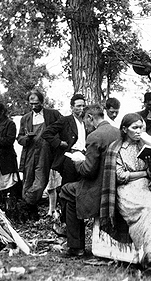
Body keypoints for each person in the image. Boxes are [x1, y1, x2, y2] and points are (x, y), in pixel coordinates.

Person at [99, 113, 151, 270]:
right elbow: (120, 176)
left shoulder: (146, 146)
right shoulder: (115, 149)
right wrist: (144, 173)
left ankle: (149, 255)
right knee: (147, 207)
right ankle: (150, 254)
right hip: (126, 190)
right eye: (135, 128)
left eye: (141, 127)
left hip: (147, 187)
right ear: (125, 129)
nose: (139, 131)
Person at [59, 104, 119, 256]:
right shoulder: (117, 132)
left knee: (66, 191)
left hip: (99, 188)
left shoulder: (94, 136)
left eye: (84, 120)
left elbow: (88, 171)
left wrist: (78, 162)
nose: (85, 125)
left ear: (90, 118)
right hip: (115, 184)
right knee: (71, 190)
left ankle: (75, 246)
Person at [17, 90, 61, 215]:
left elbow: (63, 128)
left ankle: (27, 204)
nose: (34, 106)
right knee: (27, 181)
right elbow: (19, 138)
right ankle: (30, 211)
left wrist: (57, 142)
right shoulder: (25, 118)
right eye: (31, 104)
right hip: (30, 153)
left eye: (36, 103)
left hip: (45, 153)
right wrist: (27, 138)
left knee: (40, 182)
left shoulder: (53, 114)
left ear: (42, 102)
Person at [42, 93, 87, 187]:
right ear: (72, 107)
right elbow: (46, 133)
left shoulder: (86, 122)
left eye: (83, 106)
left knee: (81, 186)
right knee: (67, 186)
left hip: (83, 158)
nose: (81, 108)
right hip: (69, 157)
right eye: (78, 106)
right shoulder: (65, 120)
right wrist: (59, 143)